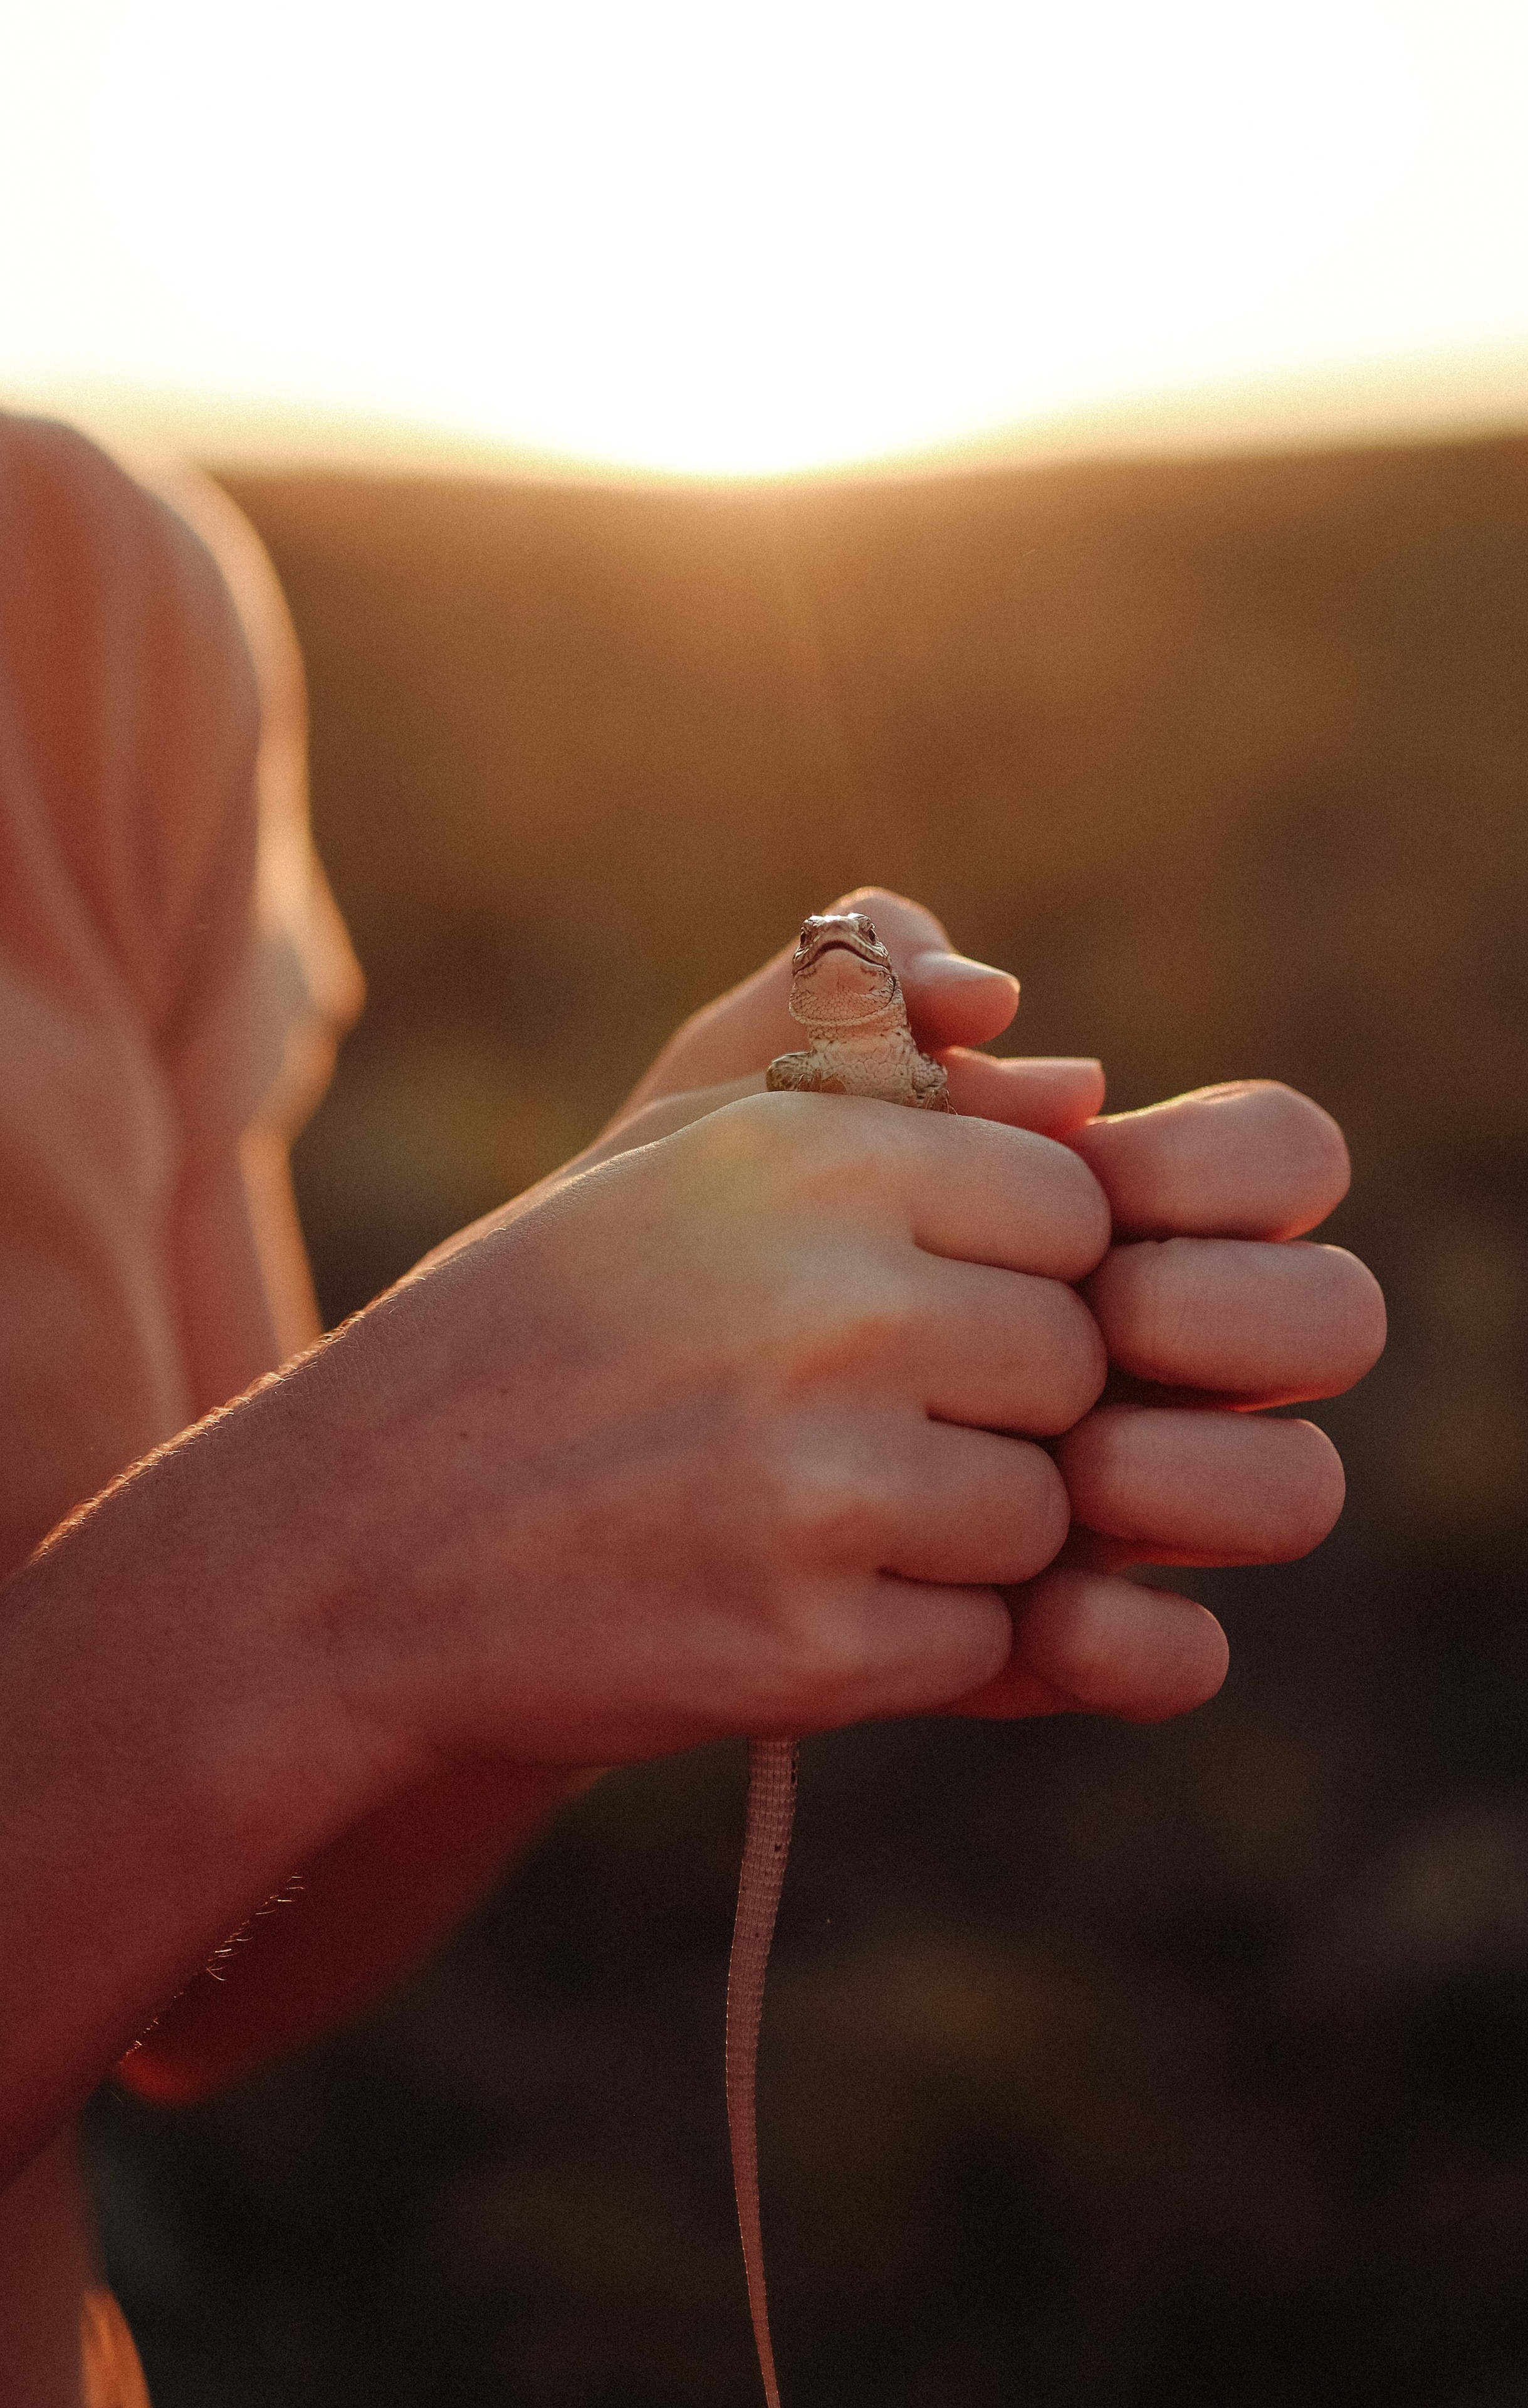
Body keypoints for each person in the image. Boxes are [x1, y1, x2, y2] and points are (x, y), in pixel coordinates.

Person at [0, 411, 1386, 2406]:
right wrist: (343, 1541)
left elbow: (208, 1971)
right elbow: (271, 1615)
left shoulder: (93, 593)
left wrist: (531, 1531)